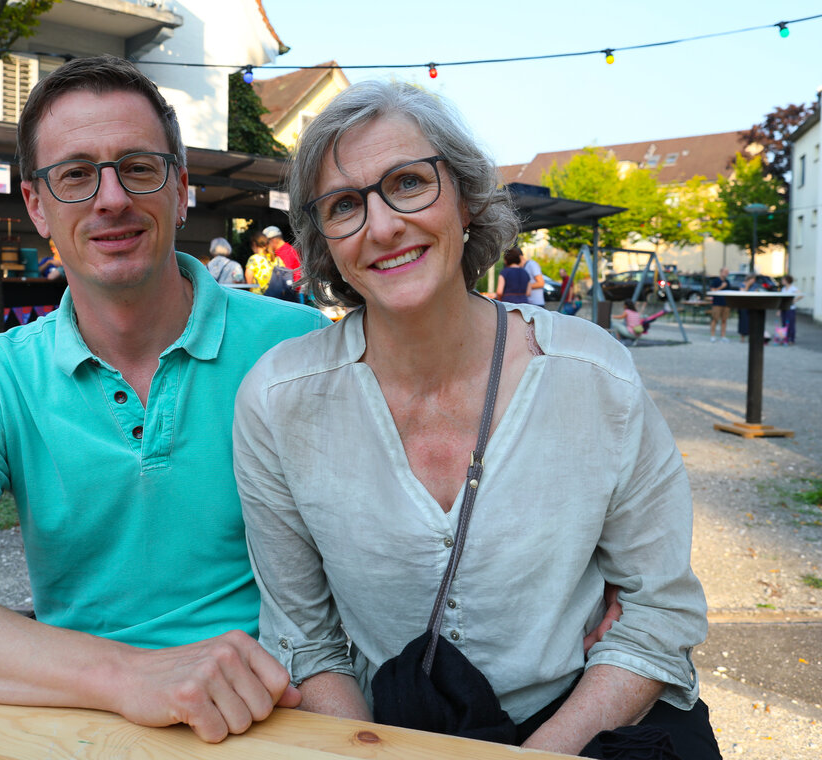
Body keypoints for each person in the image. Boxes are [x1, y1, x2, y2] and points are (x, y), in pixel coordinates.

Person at [233, 80, 717, 758]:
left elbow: (659, 611)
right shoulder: (278, 402)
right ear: (325, 242)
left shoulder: (593, 376)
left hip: (580, 720)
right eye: (344, 204)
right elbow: (305, 639)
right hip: (386, 730)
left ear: (464, 198)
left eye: (407, 183)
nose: (381, 225)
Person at [0, 55, 330, 743]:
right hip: (87, 722)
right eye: (76, 174)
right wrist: (130, 676)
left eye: (139, 166)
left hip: (281, 717)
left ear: (181, 189)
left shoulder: (300, 347)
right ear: (38, 207)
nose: (111, 199)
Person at [707, 267, 731, 343]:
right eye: (725, 271)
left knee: (724, 320)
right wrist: (721, 287)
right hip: (717, 304)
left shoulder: (727, 281)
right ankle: (712, 336)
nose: (727, 273)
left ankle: (723, 336)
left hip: (726, 304)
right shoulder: (716, 281)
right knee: (715, 319)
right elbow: (712, 290)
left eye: (727, 272)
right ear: (721, 272)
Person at [736, 273, 762, 342]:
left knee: (752, 321)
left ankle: (751, 337)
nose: (754, 281)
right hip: (743, 305)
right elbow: (743, 294)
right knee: (743, 321)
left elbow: (756, 294)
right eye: (753, 279)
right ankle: (742, 337)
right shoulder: (742, 284)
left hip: (752, 305)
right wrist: (747, 285)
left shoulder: (755, 285)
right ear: (749, 279)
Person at [778, 274, 802, 344]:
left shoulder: (793, 288)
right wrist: (779, 310)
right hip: (784, 308)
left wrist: (794, 300)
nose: (782, 281)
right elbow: (781, 300)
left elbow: (801, 295)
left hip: (790, 309)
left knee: (791, 324)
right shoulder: (783, 289)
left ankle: (791, 339)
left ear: (787, 281)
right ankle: (785, 338)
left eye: (783, 280)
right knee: (784, 324)